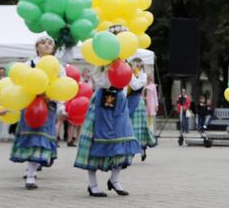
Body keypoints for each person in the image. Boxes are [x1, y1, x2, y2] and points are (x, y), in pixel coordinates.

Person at [74, 26, 142, 197]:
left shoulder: (126, 61)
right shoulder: (101, 62)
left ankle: (115, 180)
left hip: (119, 104)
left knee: (124, 140)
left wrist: (141, 77)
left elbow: (134, 85)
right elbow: (101, 82)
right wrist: (112, 68)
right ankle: (93, 184)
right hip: (102, 103)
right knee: (96, 142)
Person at [10, 36, 64, 189]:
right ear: (37, 47)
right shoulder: (29, 64)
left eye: (50, 43)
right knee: (32, 137)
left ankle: (32, 172)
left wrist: (61, 106)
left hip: (48, 106)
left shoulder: (58, 66)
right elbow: (20, 83)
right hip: (31, 106)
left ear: (53, 48)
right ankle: (31, 171)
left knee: (40, 137)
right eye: (43, 43)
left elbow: (62, 85)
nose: (46, 45)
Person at [128, 58, 157, 161]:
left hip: (137, 102)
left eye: (135, 64)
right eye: (132, 64)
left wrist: (130, 74)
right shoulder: (128, 73)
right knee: (129, 127)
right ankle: (131, 150)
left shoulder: (143, 75)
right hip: (128, 101)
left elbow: (135, 86)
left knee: (138, 128)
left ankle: (141, 149)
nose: (133, 66)